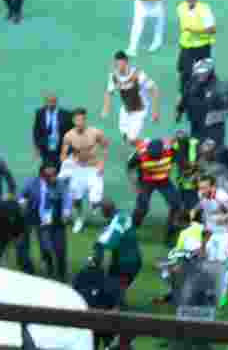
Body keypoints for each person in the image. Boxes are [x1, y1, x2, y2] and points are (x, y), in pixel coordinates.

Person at [93, 199, 142, 350]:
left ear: (106, 210)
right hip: (130, 262)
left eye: (103, 210)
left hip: (124, 264)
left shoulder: (118, 221)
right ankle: (122, 332)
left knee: (117, 296)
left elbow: (109, 242)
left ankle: (124, 334)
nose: (102, 213)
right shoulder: (122, 217)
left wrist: (98, 249)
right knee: (117, 294)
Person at [18, 162, 72, 281]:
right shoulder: (32, 183)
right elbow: (21, 195)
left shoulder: (60, 184)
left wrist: (66, 213)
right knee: (46, 248)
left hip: (57, 222)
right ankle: (50, 269)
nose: (53, 178)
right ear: (42, 176)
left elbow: (67, 198)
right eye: (49, 176)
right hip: (40, 222)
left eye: (54, 175)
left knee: (60, 250)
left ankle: (62, 274)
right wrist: (22, 202)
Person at [61, 108, 109, 233]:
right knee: (76, 198)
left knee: (96, 201)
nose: (80, 122)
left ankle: (109, 221)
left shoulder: (95, 133)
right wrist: (68, 162)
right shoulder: (68, 136)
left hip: (94, 169)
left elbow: (105, 146)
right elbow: (63, 155)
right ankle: (79, 218)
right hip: (78, 170)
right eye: (77, 120)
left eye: (82, 119)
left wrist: (102, 164)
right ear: (73, 120)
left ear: (85, 119)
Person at [196, 173, 228, 304]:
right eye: (200, 187)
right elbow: (206, 212)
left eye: (204, 188)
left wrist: (224, 217)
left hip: (224, 235)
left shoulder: (222, 197)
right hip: (210, 233)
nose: (202, 191)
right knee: (209, 263)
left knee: (221, 265)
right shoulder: (201, 195)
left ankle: (221, 297)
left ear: (213, 187)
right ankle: (210, 291)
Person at [127, 137, 180, 244]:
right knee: (142, 208)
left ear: (163, 151)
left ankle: (170, 235)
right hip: (146, 181)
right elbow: (130, 168)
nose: (155, 159)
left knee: (176, 204)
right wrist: (135, 184)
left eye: (157, 157)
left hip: (163, 179)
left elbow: (180, 158)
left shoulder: (171, 150)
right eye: (152, 157)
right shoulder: (139, 153)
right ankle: (129, 232)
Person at [103, 50, 161, 144]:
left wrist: (155, 111)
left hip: (140, 109)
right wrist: (106, 108)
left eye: (119, 64)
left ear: (126, 62)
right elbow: (109, 92)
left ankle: (154, 145)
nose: (117, 67)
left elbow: (154, 89)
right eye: (115, 64)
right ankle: (145, 146)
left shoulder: (138, 75)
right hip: (126, 109)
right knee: (125, 136)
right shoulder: (114, 76)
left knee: (132, 139)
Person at [72, 259, 123, 350]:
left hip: (91, 321)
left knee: (93, 345)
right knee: (108, 345)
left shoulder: (80, 278)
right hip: (104, 321)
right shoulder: (109, 281)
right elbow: (117, 305)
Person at [176, 0, 217, 89]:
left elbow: (212, 30)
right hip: (186, 45)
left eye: (193, 0)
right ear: (186, 0)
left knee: (206, 71)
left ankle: (210, 90)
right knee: (183, 70)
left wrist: (194, 31)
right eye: (189, 0)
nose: (191, 2)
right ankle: (184, 93)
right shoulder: (180, 8)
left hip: (202, 46)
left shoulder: (204, 10)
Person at [33, 94, 74, 167]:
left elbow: (71, 132)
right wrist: (37, 147)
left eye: (53, 101)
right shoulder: (40, 113)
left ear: (56, 102)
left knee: (62, 167)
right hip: (45, 148)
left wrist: (69, 149)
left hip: (61, 148)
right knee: (47, 169)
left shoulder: (66, 114)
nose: (51, 104)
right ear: (45, 102)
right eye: (48, 101)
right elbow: (36, 131)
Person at [171, 130, 201, 212]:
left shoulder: (194, 144)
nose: (180, 141)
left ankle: (194, 219)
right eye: (178, 139)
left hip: (194, 179)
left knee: (193, 201)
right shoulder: (175, 145)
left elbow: (197, 162)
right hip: (183, 178)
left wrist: (194, 172)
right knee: (181, 201)